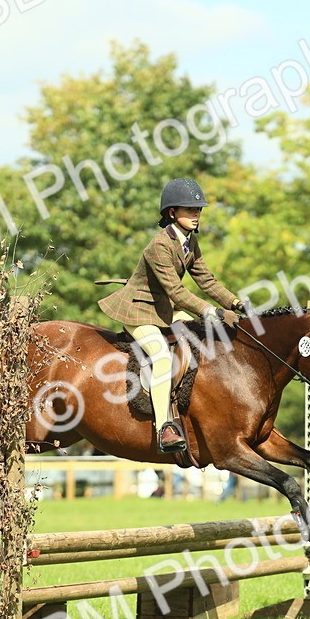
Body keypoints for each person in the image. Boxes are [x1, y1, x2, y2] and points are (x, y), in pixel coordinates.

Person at [98, 179, 243, 453]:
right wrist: (209, 310)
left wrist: (235, 302)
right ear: (172, 212)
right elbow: (176, 291)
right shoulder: (159, 246)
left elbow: (207, 281)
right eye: (190, 209)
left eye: (199, 209)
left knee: (203, 338)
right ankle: (164, 427)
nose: (196, 214)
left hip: (162, 311)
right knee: (162, 356)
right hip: (138, 311)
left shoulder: (190, 241)